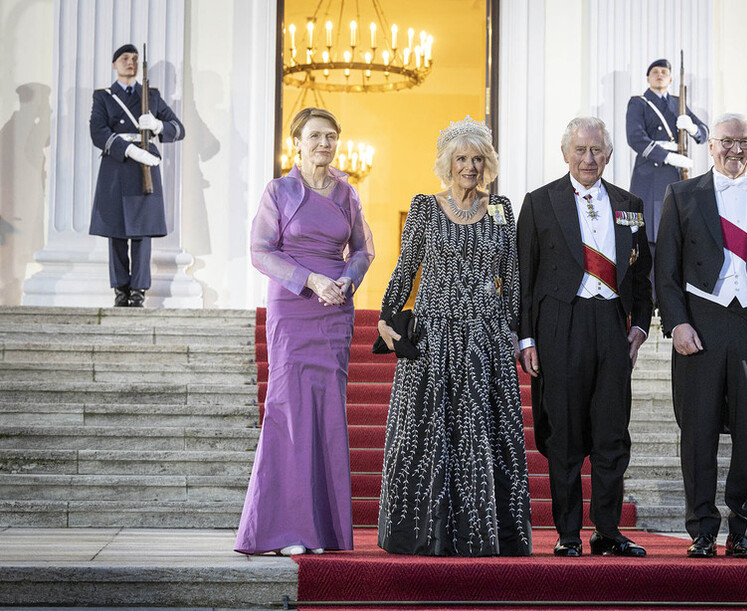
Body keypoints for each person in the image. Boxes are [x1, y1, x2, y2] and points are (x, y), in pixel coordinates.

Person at [377, 116, 532, 557]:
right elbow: (406, 267)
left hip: (486, 336)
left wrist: (512, 331)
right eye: (461, 158)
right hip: (434, 333)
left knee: (484, 435)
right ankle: (425, 534)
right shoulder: (425, 207)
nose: (469, 167)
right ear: (447, 164)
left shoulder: (501, 208)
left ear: (488, 164)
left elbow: (512, 276)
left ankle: (487, 535)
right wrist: (388, 316)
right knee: (430, 435)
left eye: (477, 158)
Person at [655, 112, 747, 560]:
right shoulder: (681, 195)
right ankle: (702, 530)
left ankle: (743, 531)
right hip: (699, 322)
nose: (735, 149)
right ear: (710, 145)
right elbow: (666, 271)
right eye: (727, 141)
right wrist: (677, 322)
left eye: (744, 141)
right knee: (697, 430)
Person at [235, 107, 374, 555]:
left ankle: (324, 531)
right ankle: (285, 529)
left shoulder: (346, 193)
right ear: (297, 142)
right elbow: (260, 250)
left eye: (331, 136)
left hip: (335, 310)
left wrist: (347, 281)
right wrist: (310, 280)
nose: (324, 144)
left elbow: (363, 250)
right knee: (288, 410)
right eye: (315, 136)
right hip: (294, 306)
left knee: (327, 411)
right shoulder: (280, 190)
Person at [517, 116, 653, 558]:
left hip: (612, 325)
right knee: (567, 436)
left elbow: (643, 271)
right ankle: (569, 534)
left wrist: (640, 325)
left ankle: (608, 531)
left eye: (597, 151)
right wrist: (527, 338)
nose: (588, 158)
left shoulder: (630, 203)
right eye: (580, 150)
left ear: (609, 155)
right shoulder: (539, 202)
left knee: (613, 433)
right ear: (565, 153)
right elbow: (524, 275)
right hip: (560, 325)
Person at [89, 43, 185, 307]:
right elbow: (98, 132)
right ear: (114, 64)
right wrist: (129, 149)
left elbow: (179, 128)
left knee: (142, 232)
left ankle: (138, 290)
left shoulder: (150, 96)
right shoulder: (104, 97)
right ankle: (121, 289)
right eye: (124, 58)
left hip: (146, 167)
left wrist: (157, 125)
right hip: (118, 166)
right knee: (116, 231)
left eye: (134, 58)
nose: (130, 62)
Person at [625, 58, 708, 258]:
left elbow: (704, 134)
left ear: (671, 79)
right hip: (650, 171)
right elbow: (635, 138)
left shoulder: (677, 103)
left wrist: (692, 127)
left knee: (674, 230)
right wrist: (668, 157)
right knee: (649, 233)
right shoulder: (639, 102)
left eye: (664, 72)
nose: (660, 74)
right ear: (648, 78)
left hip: (675, 174)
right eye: (655, 72)